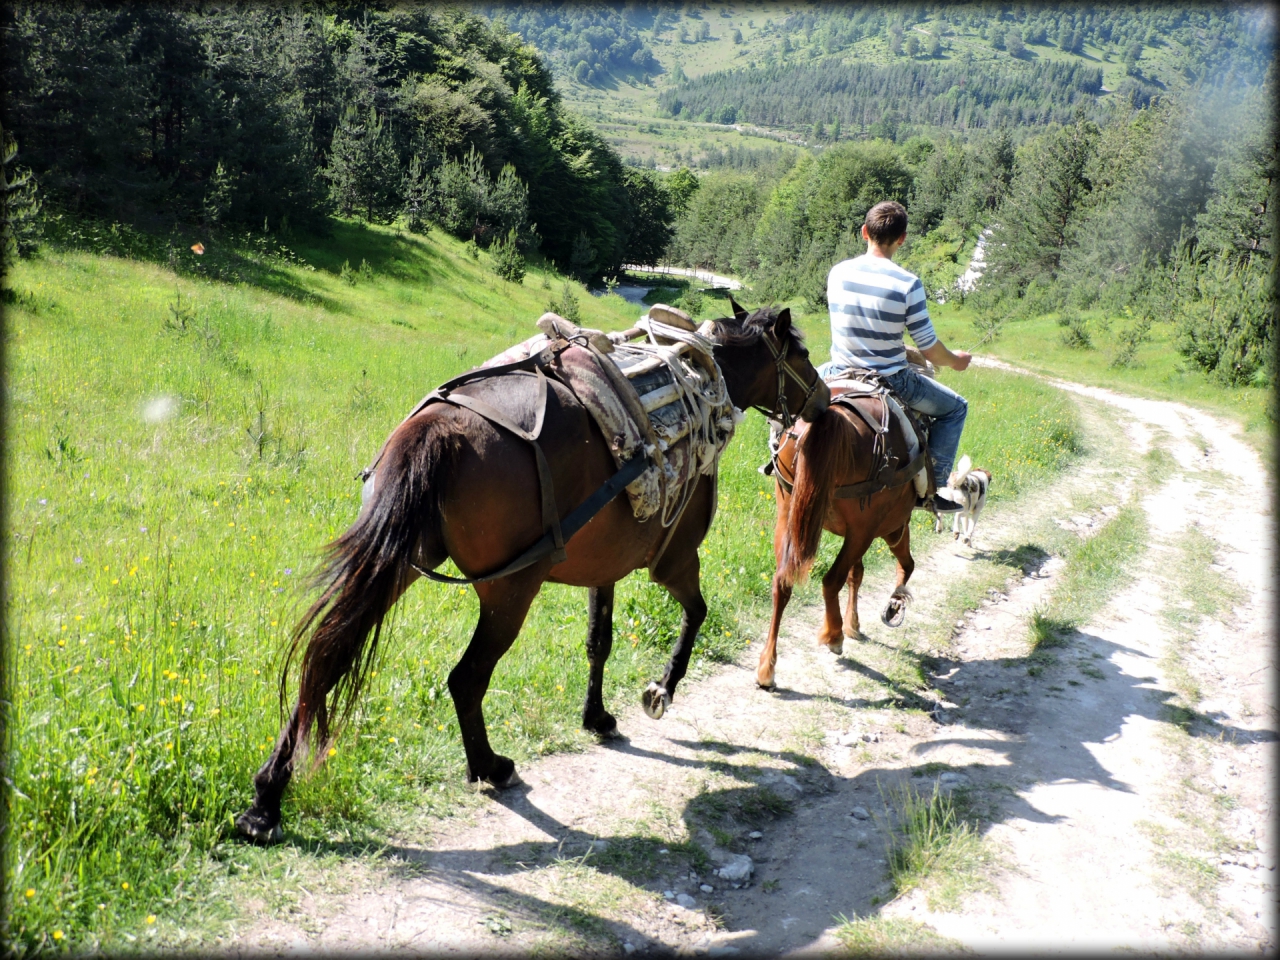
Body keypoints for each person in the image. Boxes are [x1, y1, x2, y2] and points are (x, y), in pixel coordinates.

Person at [822, 200, 971, 513]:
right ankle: (934, 488)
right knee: (956, 408)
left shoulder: (838, 273)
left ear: (864, 232)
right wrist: (956, 361)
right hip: (891, 379)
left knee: (794, 394)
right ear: (902, 239)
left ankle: (775, 454)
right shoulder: (907, 283)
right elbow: (928, 348)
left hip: (837, 371)